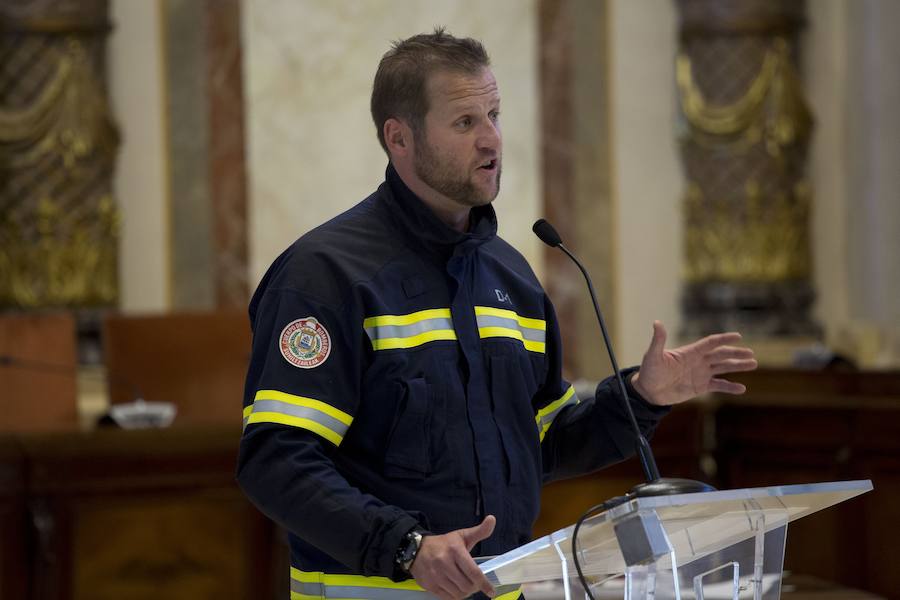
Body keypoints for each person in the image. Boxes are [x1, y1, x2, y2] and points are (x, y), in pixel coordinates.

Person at [237, 28, 757, 600]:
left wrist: (642, 396)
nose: (491, 140)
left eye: (494, 115)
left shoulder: (510, 277)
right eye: (465, 122)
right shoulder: (326, 276)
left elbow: (544, 444)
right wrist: (407, 546)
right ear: (399, 137)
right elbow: (277, 462)